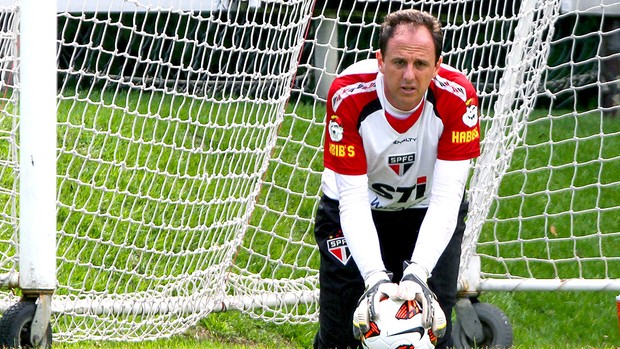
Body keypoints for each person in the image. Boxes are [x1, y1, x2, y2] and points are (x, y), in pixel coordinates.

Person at [313, 8, 480, 349]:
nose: (409, 76)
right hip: (355, 212)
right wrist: (375, 279)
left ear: (437, 65)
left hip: (426, 211)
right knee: (339, 334)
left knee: (433, 330)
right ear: (380, 60)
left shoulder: (458, 97)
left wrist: (418, 272)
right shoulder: (348, 94)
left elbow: (448, 199)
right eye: (399, 62)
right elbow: (353, 201)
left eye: (420, 65)